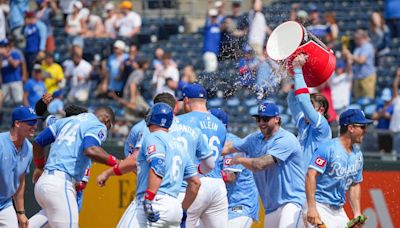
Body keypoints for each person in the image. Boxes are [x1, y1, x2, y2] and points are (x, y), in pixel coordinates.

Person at [97, 103, 201, 227]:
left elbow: (157, 166)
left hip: (154, 201)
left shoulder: (153, 137)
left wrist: (149, 198)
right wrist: (183, 210)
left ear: (153, 118)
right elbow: (195, 183)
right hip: (174, 207)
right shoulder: (180, 146)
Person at [31, 106, 117, 227]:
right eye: (109, 127)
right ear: (107, 121)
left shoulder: (65, 121)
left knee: (46, 220)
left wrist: (39, 166)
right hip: (61, 184)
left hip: (44, 182)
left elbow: (38, 141)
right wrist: (116, 162)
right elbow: (91, 149)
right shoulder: (98, 124)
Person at [223, 102, 305, 227]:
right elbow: (228, 147)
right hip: (270, 207)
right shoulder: (255, 139)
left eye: (266, 119)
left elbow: (259, 165)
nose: (261, 122)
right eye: (258, 119)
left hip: (291, 203)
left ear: (277, 119)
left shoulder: (286, 139)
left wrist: (240, 160)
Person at [29, 94, 91, 228]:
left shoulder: (58, 123)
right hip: (65, 189)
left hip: (48, 180)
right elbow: (81, 185)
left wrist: (42, 102)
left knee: (46, 216)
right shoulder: (82, 135)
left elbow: (41, 112)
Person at [305, 109, 371, 227]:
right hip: (319, 205)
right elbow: (311, 174)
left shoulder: (358, 155)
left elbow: (354, 184)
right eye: (362, 127)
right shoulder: (327, 148)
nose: (365, 130)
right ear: (351, 128)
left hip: (338, 210)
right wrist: (311, 208)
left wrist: (357, 213)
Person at [179, 84, 228, 228]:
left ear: (186, 100)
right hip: (217, 185)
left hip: (194, 182)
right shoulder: (220, 124)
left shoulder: (182, 121)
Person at [210, 108, 259, 228]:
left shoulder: (233, 143)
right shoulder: (211, 143)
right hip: (223, 206)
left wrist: (203, 174)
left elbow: (230, 176)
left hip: (240, 205)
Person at [0, 106, 42, 228]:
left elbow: (20, 180)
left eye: (35, 122)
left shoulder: (29, 149)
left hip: (5, 205)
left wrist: (20, 212)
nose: (34, 126)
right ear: (17, 123)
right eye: (30, 122)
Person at [287, 53, 332, 167]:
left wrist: (298, 70)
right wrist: (296, 76)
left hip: (314, 181)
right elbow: (292, 99)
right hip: (299, 179)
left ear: (321, 110)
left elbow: (303, 100)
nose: (306, 109)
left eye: (311, 105)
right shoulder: (304, 122)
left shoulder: (322, 125)